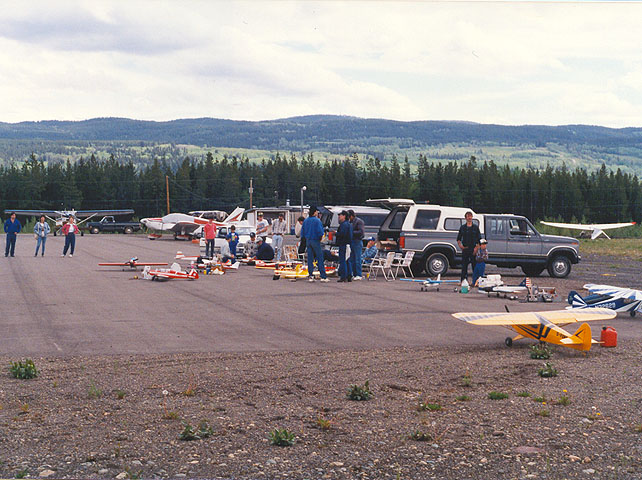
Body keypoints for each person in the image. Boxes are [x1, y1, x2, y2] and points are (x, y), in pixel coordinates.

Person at [301, 206, 329, 283]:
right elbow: (320, 232)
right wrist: (320, 239)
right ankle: (323, 276)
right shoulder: (317, 221)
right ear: (314, 212)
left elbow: (302, 233)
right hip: (315, 240)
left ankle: (311, 275)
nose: (317, 213)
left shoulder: (306, 221)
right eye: (317, 211)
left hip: (308, 241)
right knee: (320, 258)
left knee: (310, 259)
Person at [457, 211, 481, 284]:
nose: (470, 218)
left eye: (471, 216)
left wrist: (476, 249)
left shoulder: (475, 228)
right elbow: (458, 238)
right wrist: (460, 246)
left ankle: (475, 281)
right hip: (465, 249)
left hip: (473, 249)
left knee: (474, 266)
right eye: (468, 216)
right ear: (466, 218)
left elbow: (479, 240)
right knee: (464, 266)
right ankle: (463, 281)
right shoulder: (463, 227)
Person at [336, 210, 353, 283]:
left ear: (344, 216)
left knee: (343, 260)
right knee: (347, 260)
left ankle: (343, 276)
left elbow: (342, 234)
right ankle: (349, 275)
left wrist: (336, 233)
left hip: (343, 244)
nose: (339, 217)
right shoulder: (348, 224)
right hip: (348, 244)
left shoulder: (344, 224)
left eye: (340, 215)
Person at [348, 209, 365, 280]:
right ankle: (354, 274)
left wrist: (351, 232)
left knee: (358, 259)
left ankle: (359, 274)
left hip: (357, 241)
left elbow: (361, 232)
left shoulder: (359, 221)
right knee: (352, 259)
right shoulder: (350, 222)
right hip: (352, 241)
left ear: (352, 216)